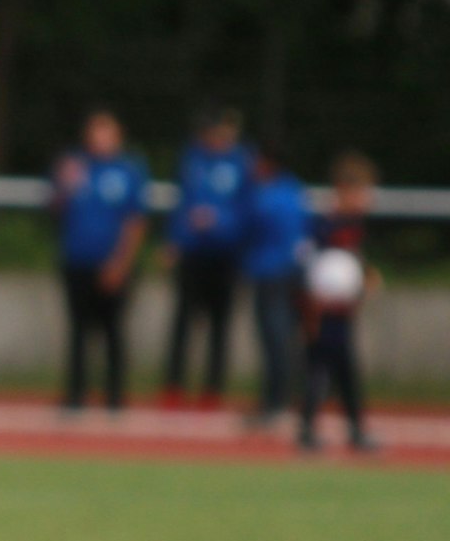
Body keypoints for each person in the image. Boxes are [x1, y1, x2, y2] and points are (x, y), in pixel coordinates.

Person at [52, 108, 150, 414]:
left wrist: (120, 263)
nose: (100, 139)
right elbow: (55, 208)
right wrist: (64, 185)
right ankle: (76, 395)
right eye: (95, 132)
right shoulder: (74, 166)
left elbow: (135, 221)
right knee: (78, 331)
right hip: (77, 261)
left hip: (112, 263)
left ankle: (115, 397)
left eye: (106, 132)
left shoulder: (129, 170)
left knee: (113, 331)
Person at [160, 107, 254, 410]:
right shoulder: (193, 158)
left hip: (225, 253)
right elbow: (183, 201)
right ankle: (173, 386)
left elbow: (248, 209)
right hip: (193, 252)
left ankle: (212, 390)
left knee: (220, 324)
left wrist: (220, 221)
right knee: (183, 321)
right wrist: (174, 240)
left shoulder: (243, 162)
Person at [298, 151, 380, 453]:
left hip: (343, 311)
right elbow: (313, 265)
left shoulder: (354, 225)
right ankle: (307, 430)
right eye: (363, 192)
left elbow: (352, 264)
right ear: (344, 190)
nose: (367, 199)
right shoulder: (326, 224)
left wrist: (366, 277)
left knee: (346, 371)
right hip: (323, 311)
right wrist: (310, 308)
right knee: (320, 369)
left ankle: (356, 430)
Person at [239, 141, 311, 428]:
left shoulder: (266, 196)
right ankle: (281, 399)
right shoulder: (294, 190)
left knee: (275, 340)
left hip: (272, 274)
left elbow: (243, 226)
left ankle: (276, 403)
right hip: (288, 272)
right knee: (282, 340)